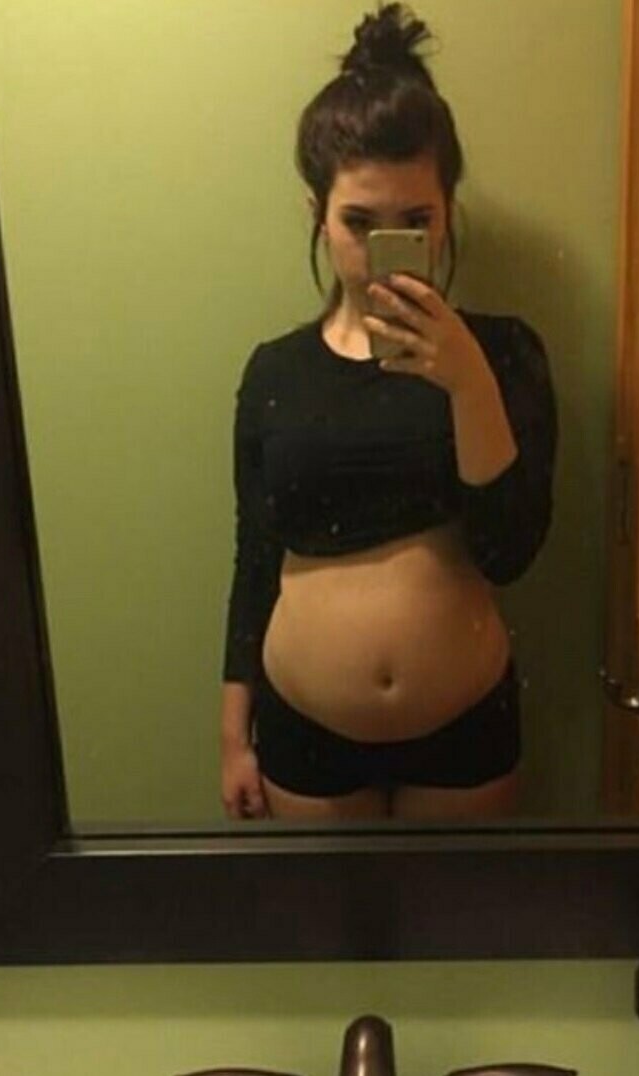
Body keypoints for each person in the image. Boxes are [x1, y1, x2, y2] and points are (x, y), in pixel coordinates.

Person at [220, 2, 558, 822]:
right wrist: (233, 734)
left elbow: (509, 552)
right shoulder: (275, 372)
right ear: (317, 213)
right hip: (304, 732)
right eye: (359, 222)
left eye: (415, 221)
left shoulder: (502, 352)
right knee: (326, 916)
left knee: (461, 912)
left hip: (464, 728)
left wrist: (469, 383)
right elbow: (255, 555)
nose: (386, 246)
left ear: (448, 210)